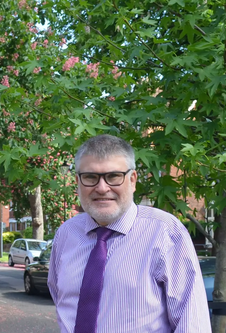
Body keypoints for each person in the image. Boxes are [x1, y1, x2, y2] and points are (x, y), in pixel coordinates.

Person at [48, 134, 212, 333]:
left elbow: (192, 324)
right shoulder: (66, 235)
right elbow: (62, 303)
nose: (101, 188)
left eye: (113, 176)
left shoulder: (166, 233)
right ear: (78, 181)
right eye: (90, 177)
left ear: (132, 180)